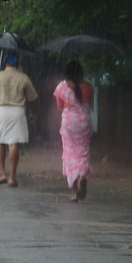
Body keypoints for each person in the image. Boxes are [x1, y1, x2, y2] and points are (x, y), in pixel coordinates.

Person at [0, 52, 38, 187]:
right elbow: (32, 98)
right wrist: (32, 113)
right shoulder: (23, 77)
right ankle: (12, 177)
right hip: (18, 111)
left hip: (2, 111)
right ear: (17, 63)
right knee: (14, 142)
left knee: (0, 141)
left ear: (5, 63)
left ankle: (2, 173)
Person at [53, 59, 94, 201]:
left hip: (69, 122)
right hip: (84, 122)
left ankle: (75, 194)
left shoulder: (61, 87)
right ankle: (82, 175)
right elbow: (90, 105)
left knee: (70, 154)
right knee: (83, 151)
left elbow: (59, 108)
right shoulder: (89, 86)